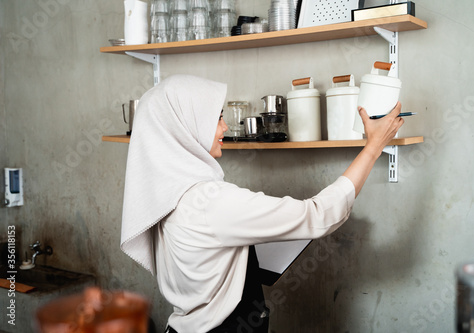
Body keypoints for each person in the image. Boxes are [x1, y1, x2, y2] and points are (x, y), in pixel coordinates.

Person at [120, 74, 404, 333]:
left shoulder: (166, 195)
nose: (225, 126)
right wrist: (374, 146)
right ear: (186, 127)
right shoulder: (210, 202)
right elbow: (318, 215)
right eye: (216, 117)